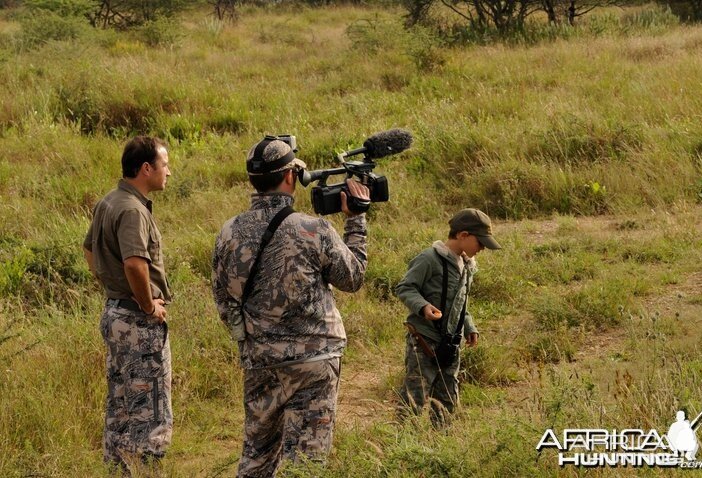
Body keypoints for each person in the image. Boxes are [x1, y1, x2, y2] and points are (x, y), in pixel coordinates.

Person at [212, 135, 370, 477]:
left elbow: (224, 300)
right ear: (290, 177)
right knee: (307, 464)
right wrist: (356, 219)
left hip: (260, 361)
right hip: (314, 362)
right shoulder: (313, 229)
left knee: (256, 457)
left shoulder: (228, 232)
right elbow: (353, 278)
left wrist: (249, 341)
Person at [82, 136, 173, 473]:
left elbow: (89, 249)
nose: (168, 172)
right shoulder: (133, 210)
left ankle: (120, 470)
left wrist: (112, 285)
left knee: (120, 406)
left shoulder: (109, 201)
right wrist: (147, 305)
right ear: (146, 168)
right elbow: (136, 264)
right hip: (137, 321)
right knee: (150, 410)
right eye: (164, 164)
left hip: (115, 312)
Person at [395, 208, 500, 426]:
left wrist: (469, 326)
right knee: (415, 397)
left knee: (447, 400)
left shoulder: (467, 266)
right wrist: (422, 306)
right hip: (423, 341)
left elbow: (460, 301)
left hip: (451, 343)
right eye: (479, 243)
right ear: (463, 235)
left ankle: (440, 443)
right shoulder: (429, 259)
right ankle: (403, 443)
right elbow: (405, 287)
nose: (481, 248)